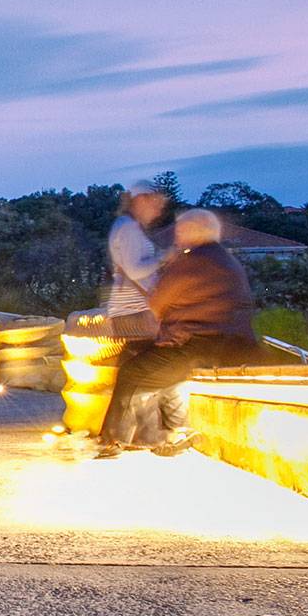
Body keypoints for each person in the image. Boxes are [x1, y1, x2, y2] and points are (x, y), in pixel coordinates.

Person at [96, 209, 257, 458]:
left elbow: (159, 303)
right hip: (234, 343)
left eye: (181, 229)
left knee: (133, 372)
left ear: (195, 231)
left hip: (196, 345)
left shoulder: (191, 261)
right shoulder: (225, 260)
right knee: (164, 375)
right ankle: (175, 430)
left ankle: (114, 440)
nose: (176, 235)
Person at [106, 181, 168, 337]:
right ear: (141, 200)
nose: (159, 212)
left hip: (131, 311)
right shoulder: (129, 228)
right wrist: (164, 258)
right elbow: (133, 271)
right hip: (135, 311)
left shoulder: (128, 226)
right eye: (156, 204)